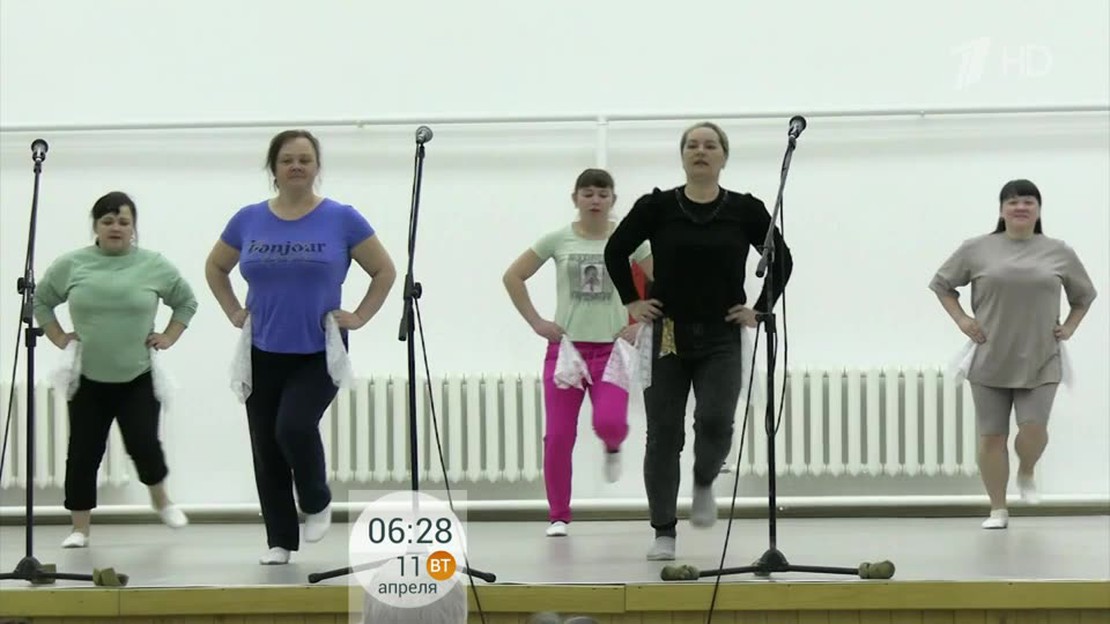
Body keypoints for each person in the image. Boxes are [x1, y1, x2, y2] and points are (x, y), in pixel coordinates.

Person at [204, 129, 397, 564]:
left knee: (293, 426)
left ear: (316, 168)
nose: (296, 166)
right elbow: (216, 266)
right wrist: (233, 310)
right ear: (273, 168)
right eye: (287, 159)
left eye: (305, 160)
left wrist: (360, 315)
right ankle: (279, 541)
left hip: (318, 350)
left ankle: (316, 498)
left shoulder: (342, 219)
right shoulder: (248, 219)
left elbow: (384, 271)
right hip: (262, 349)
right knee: (266, 447)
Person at [603, 122, 793, 561]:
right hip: (666, 334)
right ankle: (664, 530)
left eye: (710, 145)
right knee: (663, 434)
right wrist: (632, 301)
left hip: (722, 334)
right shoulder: (656, 207)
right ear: (683, 155)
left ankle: (705, 479)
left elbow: (781, 258)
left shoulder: (745, 209)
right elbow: (616, 249)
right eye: (692, 145)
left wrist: (759, 308)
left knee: (715, 420)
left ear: (723, 156)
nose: (700, 151)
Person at [929, 179, 1096, 530]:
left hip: (1042, 357)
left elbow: (1084, 296)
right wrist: (962, 320)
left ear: (1039, 209)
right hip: (989, 356)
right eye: (1013, 201)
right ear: (1001, 210)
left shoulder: (1059, 252)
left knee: (1033, 429)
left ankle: (1027, 469)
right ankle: (998, 509)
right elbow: (942, 285)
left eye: (1028, 201)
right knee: (992, 436)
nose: (1021, 207)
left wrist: (1069, 326)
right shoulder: (976, 248)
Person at [33, 191, 197, 548]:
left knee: (144, 444)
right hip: (87, 378)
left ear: (134, 227)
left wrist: (169, 336)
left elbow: (186, 301)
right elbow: (41, 300)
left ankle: (161, 500)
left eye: (124, 222)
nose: (116, 227)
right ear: (95, 226)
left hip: (137, 376)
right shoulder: (72, 264)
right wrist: (59, 336)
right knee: (83, 454)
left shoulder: (153, 265)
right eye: (107, 221)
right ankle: (80, 528)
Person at [502, 168, 652, 537]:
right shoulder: (558, 239)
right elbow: (513, 276)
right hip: (566, 351)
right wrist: (537, 322)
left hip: (613, 350)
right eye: (588, 194)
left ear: (613, 199)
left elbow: (664, 281)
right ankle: (558, 514)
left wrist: (642, 324)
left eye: (603, 194)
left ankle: (613, 446)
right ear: (576, 198)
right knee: (557, 436)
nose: (595, 200)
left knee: (610, 422)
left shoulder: (630, 240)